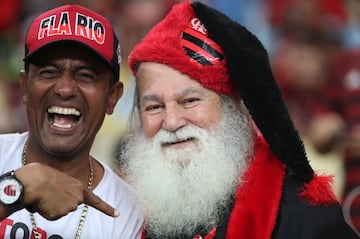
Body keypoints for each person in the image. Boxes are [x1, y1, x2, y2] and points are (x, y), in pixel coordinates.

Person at [119, 1, 359, 238]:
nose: (171, 122)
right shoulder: (126, 214)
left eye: (190, 101)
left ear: (233, 109)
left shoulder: (304, 217)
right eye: (153, 107)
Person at [0, 4, 143, 239]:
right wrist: (19, 188)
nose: (65, 89)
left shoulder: (127, 212)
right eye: (48, 72)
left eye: (85, 75)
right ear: (25, 86)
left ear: (112, 97)